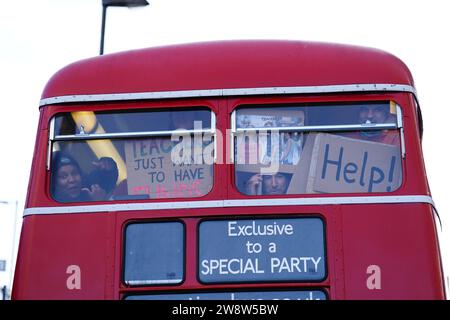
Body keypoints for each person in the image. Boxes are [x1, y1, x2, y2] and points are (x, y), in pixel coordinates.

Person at [51, 152, 118, 203]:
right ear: (53, 182)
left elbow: (107, 180)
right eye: (63, 176)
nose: (72, 180)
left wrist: (109, 168)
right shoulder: (52, 206)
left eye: (75, 173)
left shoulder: (88, 190)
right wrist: (97, 203)